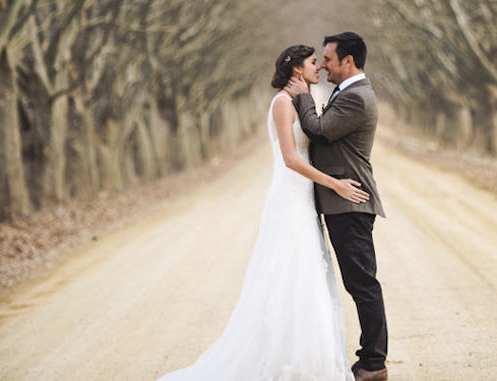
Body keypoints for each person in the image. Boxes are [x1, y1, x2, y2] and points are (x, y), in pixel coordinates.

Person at [156, 43, 368, 381]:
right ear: (297, 69)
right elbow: (291, 159)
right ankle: (283, 362)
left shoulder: (300, 101)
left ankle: (305, 360)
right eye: (314, 63)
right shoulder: (282, 104)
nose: (320, 68)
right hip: (289, 200)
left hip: (304, 201)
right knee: (288, 276)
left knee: (307, 276)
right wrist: (335, 184)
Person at [287, 31, 388, 381]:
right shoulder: (347, 92)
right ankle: (370, 359)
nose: (324, 66)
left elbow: (319, 131)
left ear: (348, 61)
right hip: (341, 202)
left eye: (328, 59)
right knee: (359, 283)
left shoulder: (356, 97)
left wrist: (302, 96)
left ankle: (373, 363)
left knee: (363, 285)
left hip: (350, 202)